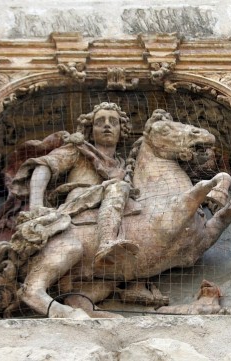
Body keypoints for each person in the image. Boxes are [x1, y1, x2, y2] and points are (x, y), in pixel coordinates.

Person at [10, 102, 139, 262]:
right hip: (79, 206)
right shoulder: (78, 150)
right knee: (119, 187)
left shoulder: (123, 166)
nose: (107, 125)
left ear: (122, 130)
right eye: (100, 122)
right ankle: (107, 241)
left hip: (116, 211)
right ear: (90, 132)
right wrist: (35, 205)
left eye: (113, 122)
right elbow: (44, 166)